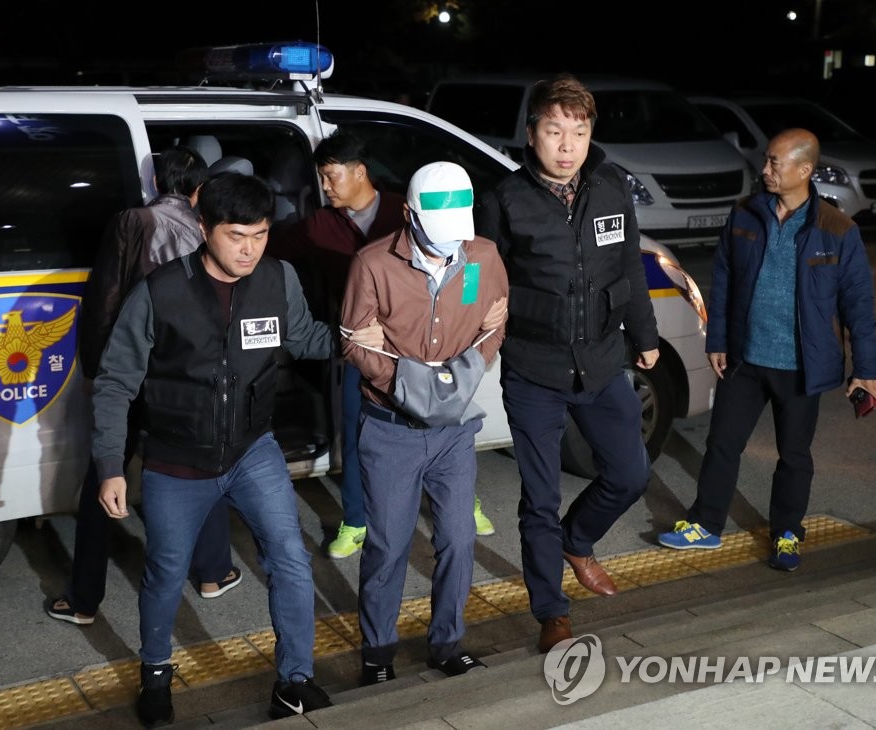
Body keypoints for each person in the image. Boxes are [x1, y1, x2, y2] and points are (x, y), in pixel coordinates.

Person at [91, 172, 383, 725]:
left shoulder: (278, 278)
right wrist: (110, 466)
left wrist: (353, 339)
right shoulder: (159, 291)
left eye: (260, 235)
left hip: (253, 449)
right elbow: (115, 381)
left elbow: (304, 336)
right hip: (177, 459)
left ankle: (294, 680)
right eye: (236, 236)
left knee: (291, 558)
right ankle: (156, 673)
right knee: (165, 571)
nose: (249, 249)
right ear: (204, 229)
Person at [473, 74, 660, 654]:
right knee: (539, 499)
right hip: (535, 369)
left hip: (602, 361)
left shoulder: (611, 187)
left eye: (578, 132)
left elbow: (628, 265)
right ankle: (551, 610)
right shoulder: (504, 199)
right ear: (532, 133)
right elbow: (478, 275)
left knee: (630, 474)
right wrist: (475, 330)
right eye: (554, 131)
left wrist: (645, 335)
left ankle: (577, 541)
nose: (567, 145)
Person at [657, 127, 876, 571]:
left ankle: (786, 532)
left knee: (794, 455)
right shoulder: (746, 214)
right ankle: (705, 524)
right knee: (722, 444)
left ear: (804, 169)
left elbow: (858, 305)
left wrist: (867, 369)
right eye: (766, 160)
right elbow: (723, 279)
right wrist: (718, 340)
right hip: (745, 359)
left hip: (801, 366)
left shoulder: (837, 229)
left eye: (774, 163)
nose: (764, 170)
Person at [270, 129, 498, 560]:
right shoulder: (319, 225)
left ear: (360, 172)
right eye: (322, 177)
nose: (325, 186)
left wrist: (480, 312)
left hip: (431, 348)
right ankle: (356, 520)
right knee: (359, 435)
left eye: (331, 176)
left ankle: (464, 504)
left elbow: (466, 259)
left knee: (449, 431)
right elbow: (266, 249)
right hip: (367, 349)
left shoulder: (405, 210)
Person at [47, 146, 241, 627]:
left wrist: (96, 370)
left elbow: (105, 301)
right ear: (200, 189)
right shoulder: (210, 229)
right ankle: (213, 572)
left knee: (106, 471)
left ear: (155, 182)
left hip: (134, 369)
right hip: (187, 376)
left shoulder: (133, 222)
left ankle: (84, 598)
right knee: (203, 463)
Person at [340, 161, 508, 685]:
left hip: (454, 432)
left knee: (458, 538)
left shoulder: (481, 257)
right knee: (388, 546)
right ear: (409, 216)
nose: (448, 245)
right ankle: (377, 654)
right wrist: (415, 383)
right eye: (438, 233)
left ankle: (447, 644)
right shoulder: (372, 264)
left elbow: (495, 326)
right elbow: (352, 342)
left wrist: (460, 373)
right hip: (390, 430)